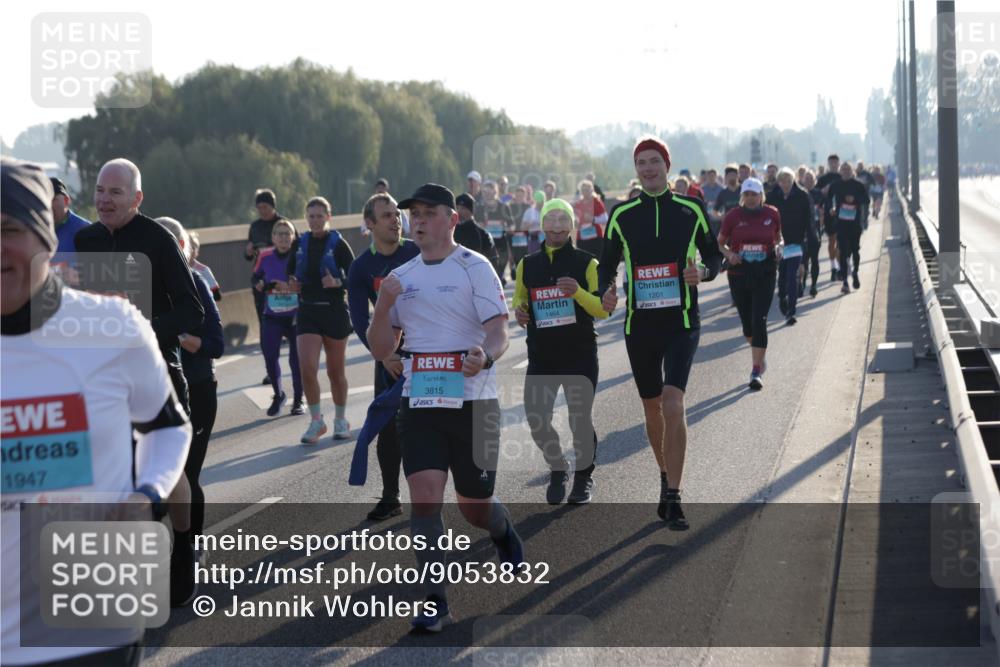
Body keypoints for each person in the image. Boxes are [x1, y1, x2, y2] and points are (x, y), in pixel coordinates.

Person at [2, 158, 191, 666]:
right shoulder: (88, 250)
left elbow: (169, 427)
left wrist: (145, 494)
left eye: (7, 229)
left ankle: (185, 563)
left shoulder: (112, 324)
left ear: (44, 236)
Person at [368, 183, 523, 633]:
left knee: (474, 506)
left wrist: (486, 356)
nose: (417, 220)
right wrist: (383, 305)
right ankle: (435, 601)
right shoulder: (403, 277)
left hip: (474, 402)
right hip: (421, 402)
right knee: (425, 499)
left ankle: (501, 531)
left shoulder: (475, 268)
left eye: (428, 212)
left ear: (451, 219)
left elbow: (499, 331)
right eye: (412, 213)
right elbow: (382, 348)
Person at [73, 158, 204, 603]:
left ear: (137, 198)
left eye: (115, 192)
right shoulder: (85, 241)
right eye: (99, 191)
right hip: (101, 379)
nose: (104, 199)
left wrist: (143, 330)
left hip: (157, 371)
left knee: (172, 472)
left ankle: (184, 545)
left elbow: (192, 311)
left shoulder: (158, 240)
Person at [599, 136, 722, 530]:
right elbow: (606, 263)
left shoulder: (691, 209)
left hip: (682, 321)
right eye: (641, 162)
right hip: (639, 325)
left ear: (667, 166)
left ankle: (674, 494)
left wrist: (703, 272)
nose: (648, 168)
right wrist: (607, 288)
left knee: (673, 403)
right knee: (652, 408)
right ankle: (665, 474)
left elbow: (714, 255)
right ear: (635, 170)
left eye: (655, 161)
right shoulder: (622, 215)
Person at [513, 198, 608, 504]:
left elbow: (602, 310)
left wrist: (577, 292)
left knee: (579, 419)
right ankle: (558, 466)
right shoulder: (527, 265)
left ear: (572, 225)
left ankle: (583, 477)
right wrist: (521, 310)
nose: (556, 225)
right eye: (550, 219)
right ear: (542, 225)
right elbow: (518, 300)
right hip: (542, 354)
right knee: (536, 418)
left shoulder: (587, 263)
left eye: (562, 219)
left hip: (579, 352)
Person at [347, 193, 420, 521]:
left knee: (432, 425)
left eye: (397, 214)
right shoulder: (362, 268)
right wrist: (385, 354)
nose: (396, 220)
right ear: (370, 224)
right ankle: (391, 497)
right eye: (387, 215)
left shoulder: (417, 252)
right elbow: (360, 320)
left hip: (430, 351)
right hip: (390, 357)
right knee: (388, 428)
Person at [156, 216, 225, 553]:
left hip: (197, 388)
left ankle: (190, 546)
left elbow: (217, 344)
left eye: (173, 241)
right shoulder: (138, 287)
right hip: (153, 393)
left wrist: (185, 339)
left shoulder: (196, 283)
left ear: (183, 247)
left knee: (185, 473)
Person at [287, 197, 356, 443]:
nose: (315, 220)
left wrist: (337, 282)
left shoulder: (338, 245)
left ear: (328, 217)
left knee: (336, 373)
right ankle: (316, 421)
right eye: (311, 216)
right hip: (307, 310)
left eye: (319, 216)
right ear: (306, 218)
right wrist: (292, 283)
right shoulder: (300, 243)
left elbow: (355, 277)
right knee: (307, 367)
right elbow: (291, 272)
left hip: (334, 310)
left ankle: (340, 419)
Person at [718, 178, 783, 390]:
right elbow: (720, 243)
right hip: (739, 273)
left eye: (755, 194)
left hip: (765, 272)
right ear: (742, 197)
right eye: (747, 194)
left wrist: (780, 247)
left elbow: (779, 238)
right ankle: (758, 353)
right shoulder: (733, 216)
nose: (751, 198)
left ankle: (755, 370)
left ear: (761, 195)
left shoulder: (772, 213)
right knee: (747, 325)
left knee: (759, 320)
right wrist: (729, 254)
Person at [252, 219, 304, 416]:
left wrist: (291, 286)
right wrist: (262, 284)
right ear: (273, 238)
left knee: (296, 360)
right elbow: (255, 277)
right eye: (279, 234)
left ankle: (298, 399)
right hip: (272, 315)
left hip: (296, 316)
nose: (283, 237)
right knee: (270, 356)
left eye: (287, 233)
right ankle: (278, 393)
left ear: (293, 237)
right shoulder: (265, 257)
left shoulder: (299, 257)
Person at [766, 168, 813, 325]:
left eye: (788, 181)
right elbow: (766, 216)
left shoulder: (802, 196)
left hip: (796, 241)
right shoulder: (773, 196)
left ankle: (791, 312)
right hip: (779, 242)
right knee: (783, 275)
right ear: (778, 182)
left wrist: (812, 236)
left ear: (793, 181)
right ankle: (781, 298)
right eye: (782, 181)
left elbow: (809, 218)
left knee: (792, 275)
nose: (785, 184)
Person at [826, 162, 870, 294]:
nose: (845, 171)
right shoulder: (836, 185)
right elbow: (828, 198)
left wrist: (855, 199)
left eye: (848, 169)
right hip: (841, 224)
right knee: (843, 252)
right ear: (840, 171)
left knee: (855, 250)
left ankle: (855, 272)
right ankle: (845, 281)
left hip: (855, 224)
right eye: (843, 169)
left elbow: (866, 200)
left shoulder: (858, 185)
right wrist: (830, 208)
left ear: (852, 171)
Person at [48, 176, 90, 279]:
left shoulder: (86, 231)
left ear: (66, 201)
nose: (48, 204)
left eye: (53, 199)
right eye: (44, 199)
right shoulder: (34, 231)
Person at [475, 180, 514, 285]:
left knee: (500, 269)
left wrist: (504, 226)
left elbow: (512, 226)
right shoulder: (479, 208)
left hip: (501, 243)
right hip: (485, 244)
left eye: (490, 191)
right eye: (485, 191)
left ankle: (499, 284)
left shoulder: (504, 206)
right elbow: (474, 225)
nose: (487, 194)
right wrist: (481, 226)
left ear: (495, 191)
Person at [816, 155, 842, 281]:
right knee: (832, 241)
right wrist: (822, 191)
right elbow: (816, 195)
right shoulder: (823, 179)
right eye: (831, 162)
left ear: (838, 163)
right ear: (828, 163)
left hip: (842, 213)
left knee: (841, 243)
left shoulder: (842, 177)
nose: (833, 164)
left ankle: (840, 265)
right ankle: (833, 267)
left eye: (835, 162)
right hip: (828, 213)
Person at [454, 192, 499, 265]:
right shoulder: (449, 232)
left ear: (471, 211)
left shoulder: (483, 235)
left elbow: (493, 261)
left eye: (463, 208)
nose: (459, 211)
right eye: (457, 208)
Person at [801, 170, 825, 297]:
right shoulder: (800, 194)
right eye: (806, 179)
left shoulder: (818, 194)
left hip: (815, 230)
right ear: (803, 180)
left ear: (814, 180)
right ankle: (803, 282)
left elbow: (824, 210)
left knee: (814, 259)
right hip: (802, 232)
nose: (809, 181)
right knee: (804, 260)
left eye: (811, 179)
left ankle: (814, 285)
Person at [572, 179, 608, 257]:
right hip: (582, 239)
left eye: (587, 189)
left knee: (597, 262)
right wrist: (575, 223)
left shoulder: (596, 201)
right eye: (583, 190)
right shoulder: (578, 203)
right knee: (583, 263)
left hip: (596, 238)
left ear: (592, 190)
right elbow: (575, 221)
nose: (585, 192)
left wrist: (593, 219)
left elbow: (605, 218)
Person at [187, 231, 222, 302]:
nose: (191, 250)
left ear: (197, 251)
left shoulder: (204, 270)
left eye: (194, 247)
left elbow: (217, 296)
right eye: (188, 247)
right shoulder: (177, 268)